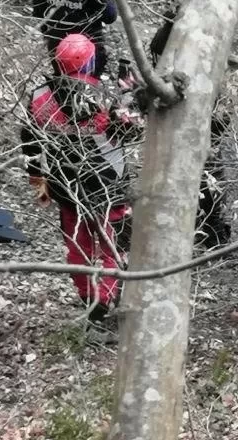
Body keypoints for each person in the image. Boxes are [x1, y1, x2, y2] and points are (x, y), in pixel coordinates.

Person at [20, 34, 139, 336]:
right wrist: (131, 94)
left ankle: (91, 302)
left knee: (78, 248)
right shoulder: (104, 99)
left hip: (65, 187)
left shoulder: (39, 97)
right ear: (90, 61)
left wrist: (38, 182)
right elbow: (130, 132)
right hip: (108, 187)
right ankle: (104, 304)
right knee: (113, 247)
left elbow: (29, 143)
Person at [148, 9, 232, 249]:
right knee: (211, 183)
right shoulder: (191, 49)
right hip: (198, 127)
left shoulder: (160, 41)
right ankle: (215, 235)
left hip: (171, 125)